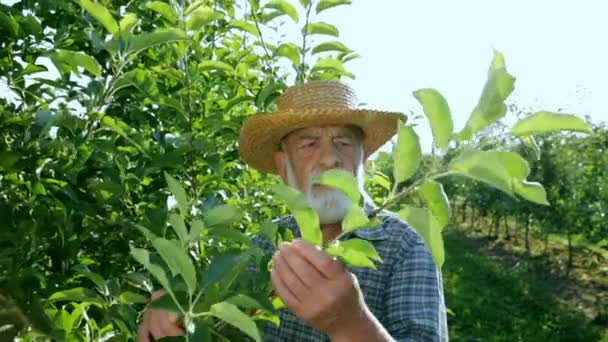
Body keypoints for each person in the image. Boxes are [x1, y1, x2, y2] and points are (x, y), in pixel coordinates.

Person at [137, 80, 448, 341]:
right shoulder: (263, 244)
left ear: (364, 163)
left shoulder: (407, 246)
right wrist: (177, 312)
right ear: (284, 167)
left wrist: (350, 323)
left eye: (343, 142)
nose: (329, 158)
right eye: (308, 144)